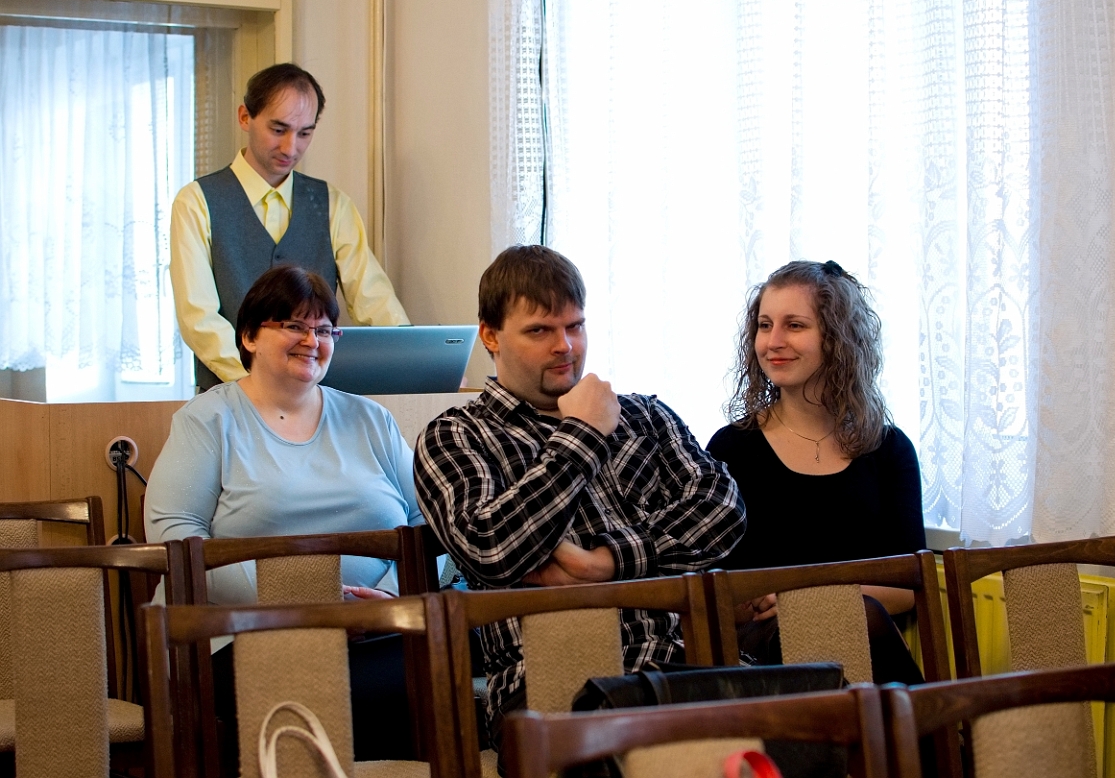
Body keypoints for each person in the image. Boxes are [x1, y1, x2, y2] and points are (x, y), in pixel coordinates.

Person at [414, 245, 746, 752]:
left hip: (684, 661)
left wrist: (607, 562)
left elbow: (723, 509)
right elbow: (491, 548)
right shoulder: (456, 436)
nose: (565, 346)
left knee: (821, 716)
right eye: (540, 331)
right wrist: (584, 434)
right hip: (550, 681)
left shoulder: (644, 415)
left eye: (575, 326)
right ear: (490, 335)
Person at [145, 265, 421, 763]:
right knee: (377, 683)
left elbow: (430, 524)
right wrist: (301, 608)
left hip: (378, 629)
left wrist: (389, 601)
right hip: (242, 634)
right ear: (249, 336)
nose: (312, 341)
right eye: (294, 326)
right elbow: (175, 536)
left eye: (324, 330)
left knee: (443, 659)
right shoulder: (207, 420)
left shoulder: (371, 419)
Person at [707, 259, 926, 682]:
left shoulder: (889, 449)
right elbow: (715, 585)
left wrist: (809, 597)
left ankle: (911, 721)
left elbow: (906, 587)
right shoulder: (731, 448)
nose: (773, 342)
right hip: (762, 652)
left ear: (838, 337)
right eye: (765, 325)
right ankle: (926, 722)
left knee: (854, 618)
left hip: (861, 637)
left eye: (794, 325)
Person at [170, 62, 408, 390]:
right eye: (278, 130)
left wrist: (414, 364)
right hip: (230, 400)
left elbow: (374, 300)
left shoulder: (332, 204)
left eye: (305, 133)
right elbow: (199, 318)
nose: (290, 147)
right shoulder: (196, 202)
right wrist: (256, 383)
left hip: (317, 401)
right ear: (245, 117)